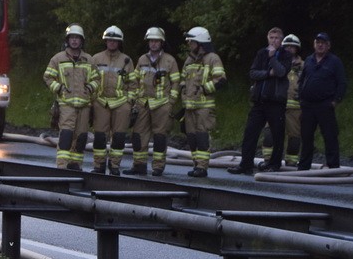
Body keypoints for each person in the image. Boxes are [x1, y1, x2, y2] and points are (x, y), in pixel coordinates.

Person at [229, 27, 292, 175]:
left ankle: (274, 164)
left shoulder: (286, 55)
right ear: (267, 39)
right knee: (250, 133)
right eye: (271, 37)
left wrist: (272, 58)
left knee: (277, 134)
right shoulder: (261, 53)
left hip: (276, 102)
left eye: (276, 38)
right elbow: (253, 73)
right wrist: (268, 73)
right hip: (259, 101)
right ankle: (246, 164)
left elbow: (282, 72)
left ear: (281, 40)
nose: (273, 40)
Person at [125, 27, 180, 176]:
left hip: (162, 104)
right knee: (138, 135)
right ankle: (139, 165)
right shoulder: (142, 59)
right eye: (151, 41)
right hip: (143, 103)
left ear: (162, 43)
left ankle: (158, 167)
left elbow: (176, 82)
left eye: (156, 41)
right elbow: (135, 80)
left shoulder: (170, 60)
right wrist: (135, 99)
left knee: (160, 137)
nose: (153, 44)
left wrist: (171, 101)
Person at [43, 24, 97, 170]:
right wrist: (59, 88)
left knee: (80, 138)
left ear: (81, 41)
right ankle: (61, 166)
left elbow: (97, 79)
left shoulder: (89, 60)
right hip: (66, 104)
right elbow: (48, 77)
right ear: (67, 40)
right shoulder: (58, 59)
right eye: (72, 38)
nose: (74, 41)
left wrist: (90, 88)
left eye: (77, 38)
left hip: (85, 106)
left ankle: (75, 165)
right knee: (66, 136)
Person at [180, 26, 227, 177]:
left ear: (200, 42)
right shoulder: (189, 59)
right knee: (191, 137)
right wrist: (183, 93)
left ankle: (202, 167)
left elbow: (221, 80)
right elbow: (183, 80)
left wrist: (204, 89)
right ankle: (196, 165)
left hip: (204, 107)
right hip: (189, 106)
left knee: (201, 137)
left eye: (192, 41)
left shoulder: (213, 58)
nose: (189, 44)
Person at [297, 33, 347, 170]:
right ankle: (304, 166)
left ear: (328, 45)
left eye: (323, 42)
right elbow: (302, 79)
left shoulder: (335, 61)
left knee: (330, 136)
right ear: (314, 44)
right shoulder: (308, 60)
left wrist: (336, 100)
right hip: (307, 105)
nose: (320, 45)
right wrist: (301, 96)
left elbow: (342, 83)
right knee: (306, 136)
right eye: (318, 42)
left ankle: (333, 166)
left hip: (325, 104)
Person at [90, 26, 135, 175]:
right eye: (109, 40)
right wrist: (93, 100)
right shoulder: (96, 59)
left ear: (119, 42)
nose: (112, 43)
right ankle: (99, 165)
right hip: (101, 102)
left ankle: (114, 166)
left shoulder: (127, 61)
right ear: (105, 41)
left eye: (115, 40)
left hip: (121, 103)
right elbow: (89, 79)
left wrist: (129, 101)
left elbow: (133, 84)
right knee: (100, 136)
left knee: (119, 137)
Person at [262, 34, 305, 167]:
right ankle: (268, 160)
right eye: (286, 46)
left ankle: (291, 161)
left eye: (293, 47)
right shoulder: (275, 62)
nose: (289, 49)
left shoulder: (304, 66)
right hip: (275, 105)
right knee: (269, 133)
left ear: (297, 49)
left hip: (295, 108)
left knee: (294, 136)